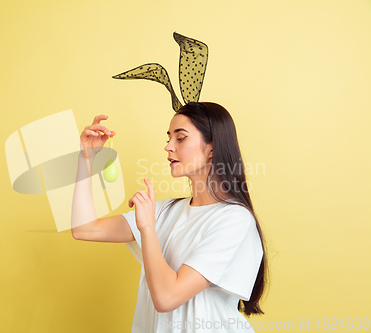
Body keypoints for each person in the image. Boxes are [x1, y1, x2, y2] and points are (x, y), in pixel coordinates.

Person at [71, 102, 268, 332]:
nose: (168, 147)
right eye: (168, 137)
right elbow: (84, 229)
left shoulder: (235, 220)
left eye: (180, 138)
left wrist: (147, 229)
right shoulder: (165, 211)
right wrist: (85, 160)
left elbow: (166, 298)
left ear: (212, 148)